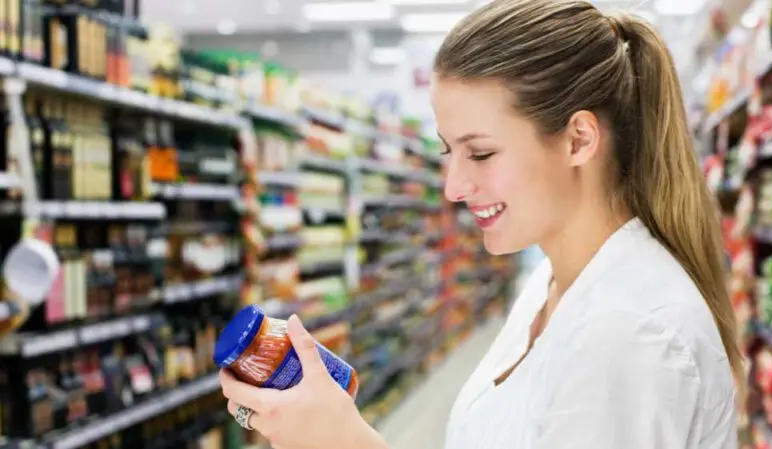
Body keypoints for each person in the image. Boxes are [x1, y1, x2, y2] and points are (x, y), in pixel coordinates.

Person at [219, 1, 742, 447]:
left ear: (579, 139)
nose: (452, 187)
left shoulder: (627, 336)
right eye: (449, 151)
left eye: (482, 152)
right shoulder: (553, 284)